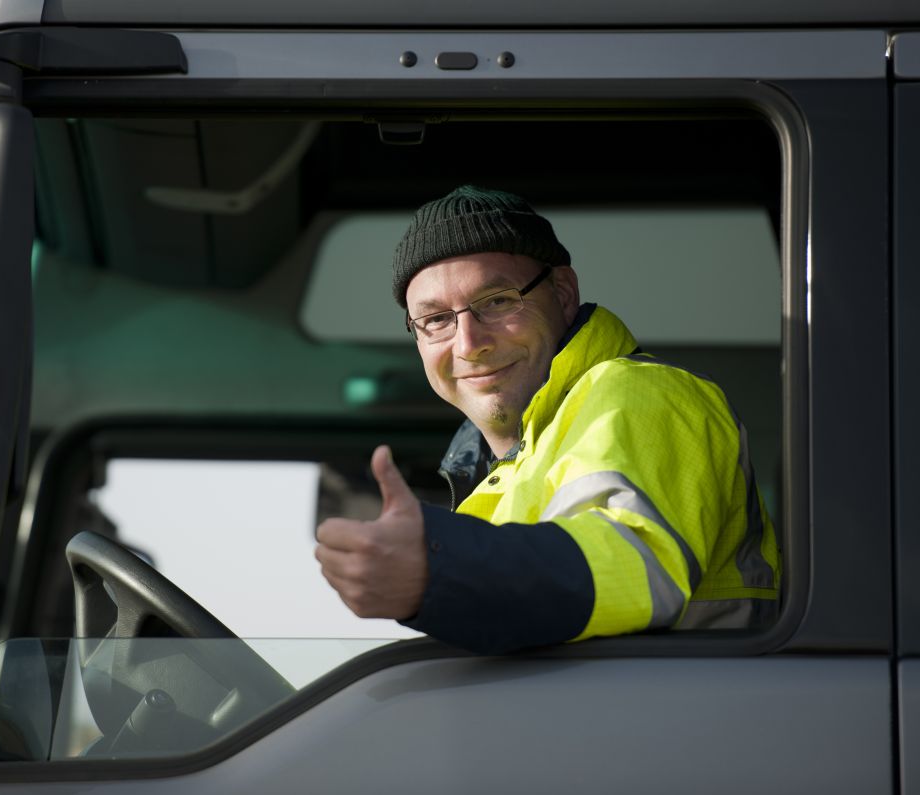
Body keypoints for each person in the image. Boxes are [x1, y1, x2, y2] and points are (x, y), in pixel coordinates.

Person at [314, 185, 780, 653]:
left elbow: (633, 560)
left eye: (497, 300)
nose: (468, 342)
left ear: (562, 294)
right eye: (435, 319)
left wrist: (435, 567)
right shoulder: (506, 466)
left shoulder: (638, 392)